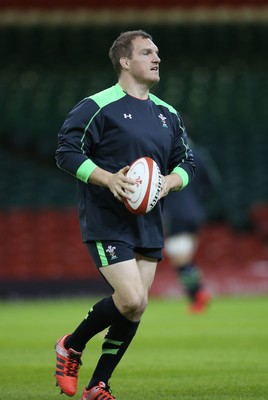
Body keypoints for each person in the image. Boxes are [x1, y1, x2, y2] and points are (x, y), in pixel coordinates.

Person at [54, 30, 195, 400]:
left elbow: (187, 163)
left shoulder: (168, 113)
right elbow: (66, 151)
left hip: (147, 219)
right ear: (125, 61)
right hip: (106, 217)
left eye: (158, 52)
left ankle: (98, 385)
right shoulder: (96, 106)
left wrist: (168, 183)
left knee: (136, 308)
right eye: (147, 52)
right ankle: (71, 344)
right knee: (131, 298)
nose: (157, 58)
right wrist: (105, 179)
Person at [163, 140, 221, 313]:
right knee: (185, 257)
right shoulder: (199, 154)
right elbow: (212, 184)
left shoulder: (167, 155)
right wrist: (196, 201)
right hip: (195, 213)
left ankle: (198, 293)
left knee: (180, 259)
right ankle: (197, 295)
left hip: (176, 213)